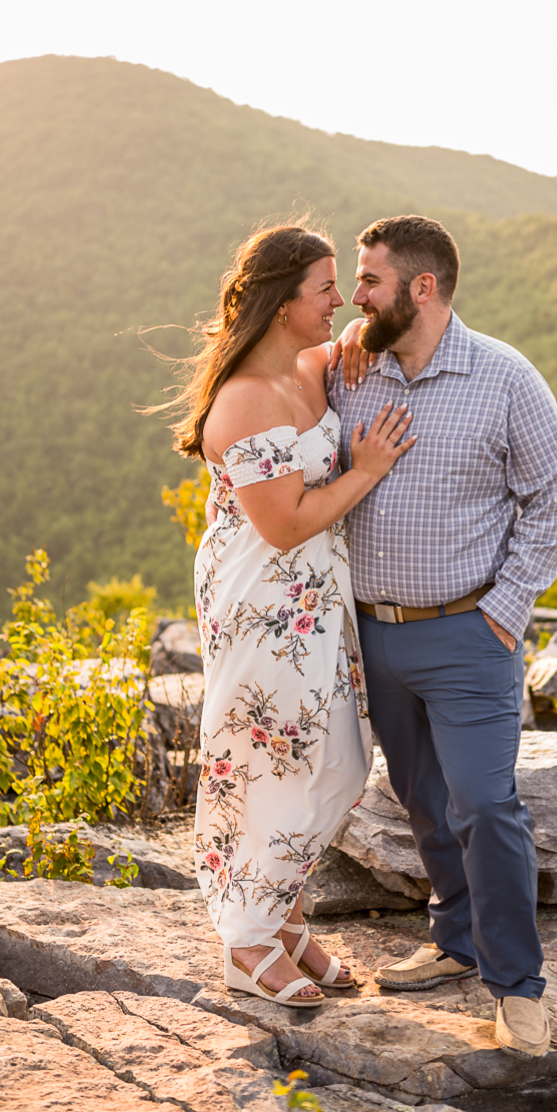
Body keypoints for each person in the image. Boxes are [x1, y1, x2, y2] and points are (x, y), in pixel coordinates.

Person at [326, 214, 557, 1057]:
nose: (354, 298)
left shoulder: (506, 379)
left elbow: (553, 501)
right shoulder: (354, 372)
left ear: (421, 289)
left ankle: (517, 987)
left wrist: (505, 610)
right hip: (377, 637)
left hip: (472, 635)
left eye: (369, 281)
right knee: (424, 800)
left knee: (485, 804)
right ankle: (453, 940)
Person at [171, 223, 415, 1009]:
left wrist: (351, 330)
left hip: (316, 599)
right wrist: (370, 469)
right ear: (282, 303)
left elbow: (354, 334)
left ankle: (283, 919)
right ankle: (248, 941)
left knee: (338, 760)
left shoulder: (315, 365)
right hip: (262, 601)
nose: (339, 299)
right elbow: (284, 523)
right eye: (324, 288)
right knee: (270, 760)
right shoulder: (241, 401)